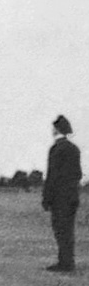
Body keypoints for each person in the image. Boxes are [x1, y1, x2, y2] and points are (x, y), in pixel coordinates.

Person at [43, 115, 81, 272]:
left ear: (56, 129)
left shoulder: (56, 149)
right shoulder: (74, 149)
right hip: (72, 196)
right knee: (68, 230)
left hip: (59, 198)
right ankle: (67, 261)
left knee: (60, 230)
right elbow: (78, 174)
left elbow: (52, 175)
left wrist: (47, 198)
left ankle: (64, 263)